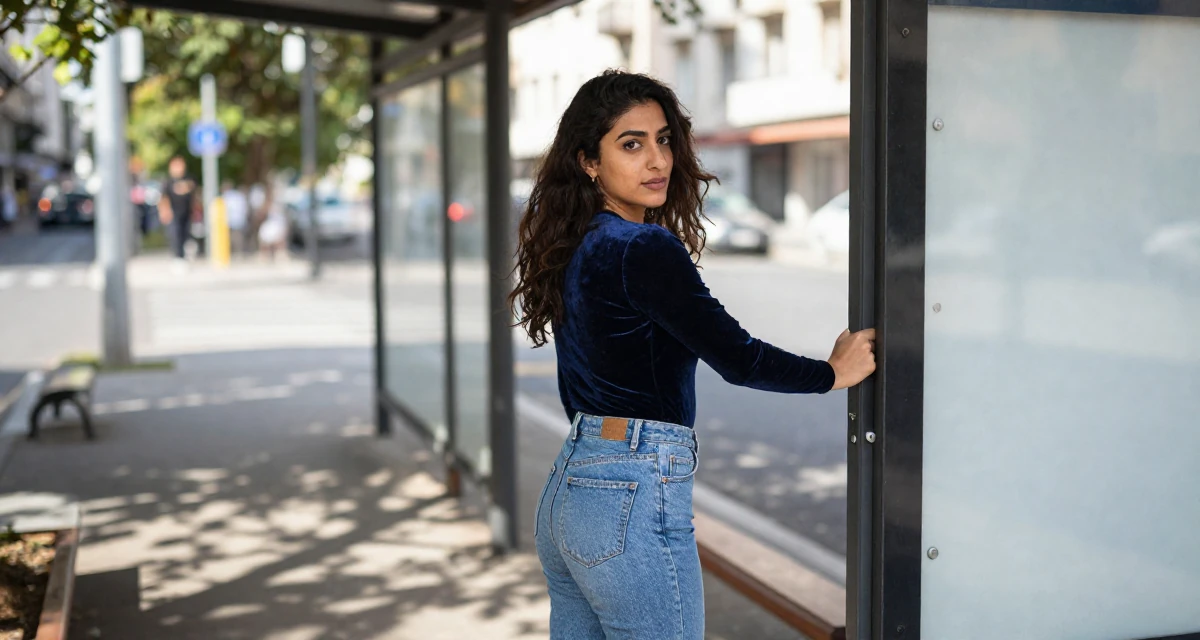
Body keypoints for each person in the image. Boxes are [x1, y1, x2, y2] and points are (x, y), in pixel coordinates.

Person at [512, 70, 877, 640]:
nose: (657, 160)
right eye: (630, 144)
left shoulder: (577, 241)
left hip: (572, 491)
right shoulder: (643, 247)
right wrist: (833, 374)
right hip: (627, 489)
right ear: (589, 161)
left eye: (663, 140)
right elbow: (739, 357)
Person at [159, 157, 199, 267]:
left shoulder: (189, 178)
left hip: (187, 212)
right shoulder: (168, 181)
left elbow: (194, 192)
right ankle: (178, 257)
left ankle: (184, 255)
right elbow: (163, 198)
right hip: (173, 212)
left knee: (186, 234)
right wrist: (165, 212)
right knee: (175, 235)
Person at [221, 181, 249, 257]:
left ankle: (233, 253)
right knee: (237, 238)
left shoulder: (227, 196)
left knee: (231, 238)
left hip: (230, 220)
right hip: (238, 220)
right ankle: (238, 253)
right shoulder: (238, 196)